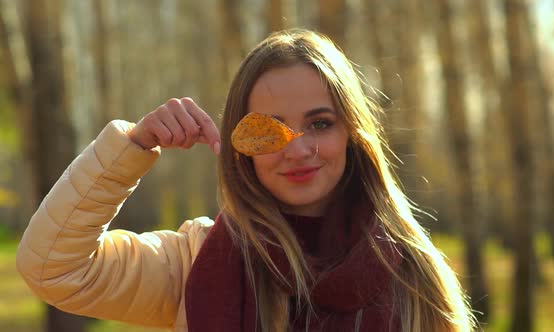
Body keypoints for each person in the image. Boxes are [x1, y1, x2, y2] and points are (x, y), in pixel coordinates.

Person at [16, 29, 474, 332]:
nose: (297, 149)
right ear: (243, 143)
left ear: (353, 134)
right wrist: (134, 145)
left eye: (319, 124)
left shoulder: (415, 276)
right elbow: (55, 268)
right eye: (270, 129)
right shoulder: (194, 260)